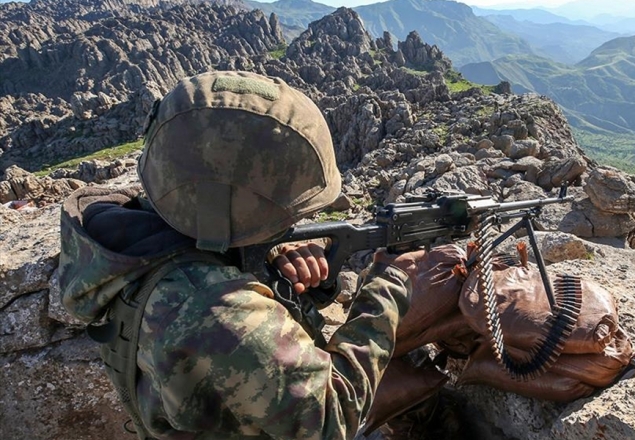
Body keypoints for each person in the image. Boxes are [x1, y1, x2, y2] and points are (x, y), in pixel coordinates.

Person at [58, 71, 421, 440]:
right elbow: (333, 420)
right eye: (286, 219)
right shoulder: (216, 307)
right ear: (223, 213)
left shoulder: (136, 237)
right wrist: (390, 283)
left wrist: (273, 268)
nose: (298, 224)